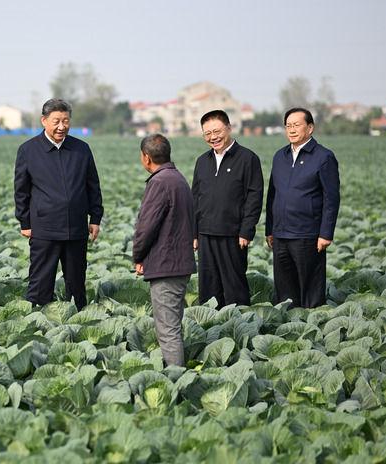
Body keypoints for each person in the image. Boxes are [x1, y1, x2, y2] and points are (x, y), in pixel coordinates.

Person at [14, 98, 103, 310]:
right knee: (40, 283)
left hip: (76, 228)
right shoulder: (28, 150)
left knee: (76, 283)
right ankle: (37, 321)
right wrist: (25, 222)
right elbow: (21, 190)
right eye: (56, 121)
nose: (61, 126)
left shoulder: (81, 149)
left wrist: (95, 218)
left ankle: (79, 319)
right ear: (44, 120)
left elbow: (93, 185)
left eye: (65, 121)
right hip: (44, 228)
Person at [266, 107, 340, 308]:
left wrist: (325, 234)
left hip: (307, 234)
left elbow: (331, 199)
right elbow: (272, 194)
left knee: (310, 289)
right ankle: (288, 327)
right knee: (284, 291)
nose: (291, 129)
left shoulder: (323, 157)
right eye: (288, 126)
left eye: (296, 125)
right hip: (281, 235)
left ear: (310, 127)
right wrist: (270, 229)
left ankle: (314, 325)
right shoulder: (279, 156)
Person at [133, 134, 196, 367]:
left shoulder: (159, 182)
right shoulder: (178, 178)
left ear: (146, 158)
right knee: (173, 327)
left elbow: (145, 226)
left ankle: (176, 382)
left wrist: (138, 256)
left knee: (167, 331)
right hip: (180, 264)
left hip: (165, 265)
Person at [192, 110, 263, 308]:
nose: (213, 137)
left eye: (217, 131)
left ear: (229, 128)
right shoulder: (202, 161)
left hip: (233, 234)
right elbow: (195, 198)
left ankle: (239, 325)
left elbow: (254, 197)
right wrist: (194, 233)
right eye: (207, 134)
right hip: (205, 233)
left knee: (234, 286)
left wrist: (246, 230)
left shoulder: (248, 159)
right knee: (208, 286)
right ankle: (210, 328)